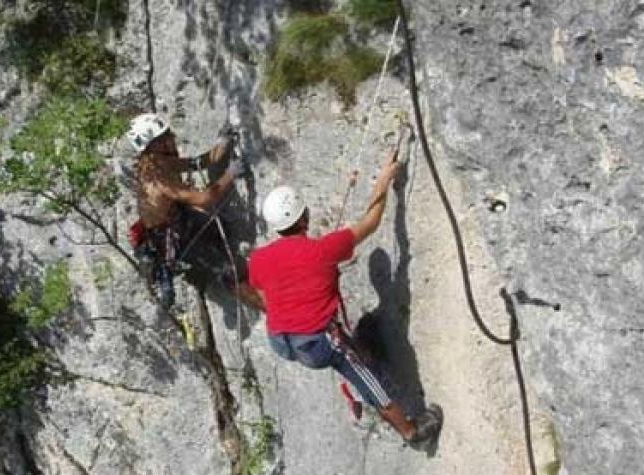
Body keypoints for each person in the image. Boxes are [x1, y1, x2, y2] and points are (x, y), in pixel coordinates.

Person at [247, 154, 442, 446]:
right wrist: (384, 181)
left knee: (340, 342)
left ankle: (359, 348)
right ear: (304, 216)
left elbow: (261, 291)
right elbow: (372, 222)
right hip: (316, 343)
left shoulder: (258, 260)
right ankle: (412, 432)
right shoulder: (324, 250)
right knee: (367, 379)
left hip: (281, 341)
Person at [124, 113, 261, 309]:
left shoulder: (158, 161)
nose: (172, 137)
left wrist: (223, 143)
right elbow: (205, 199)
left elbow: (197, 163)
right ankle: (267, 308)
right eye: (166, 136)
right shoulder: (156, 175)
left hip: (181, 220)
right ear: (154, 145)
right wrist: (230, 175)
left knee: (224, 230)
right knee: (226, 271)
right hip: (175, 239)